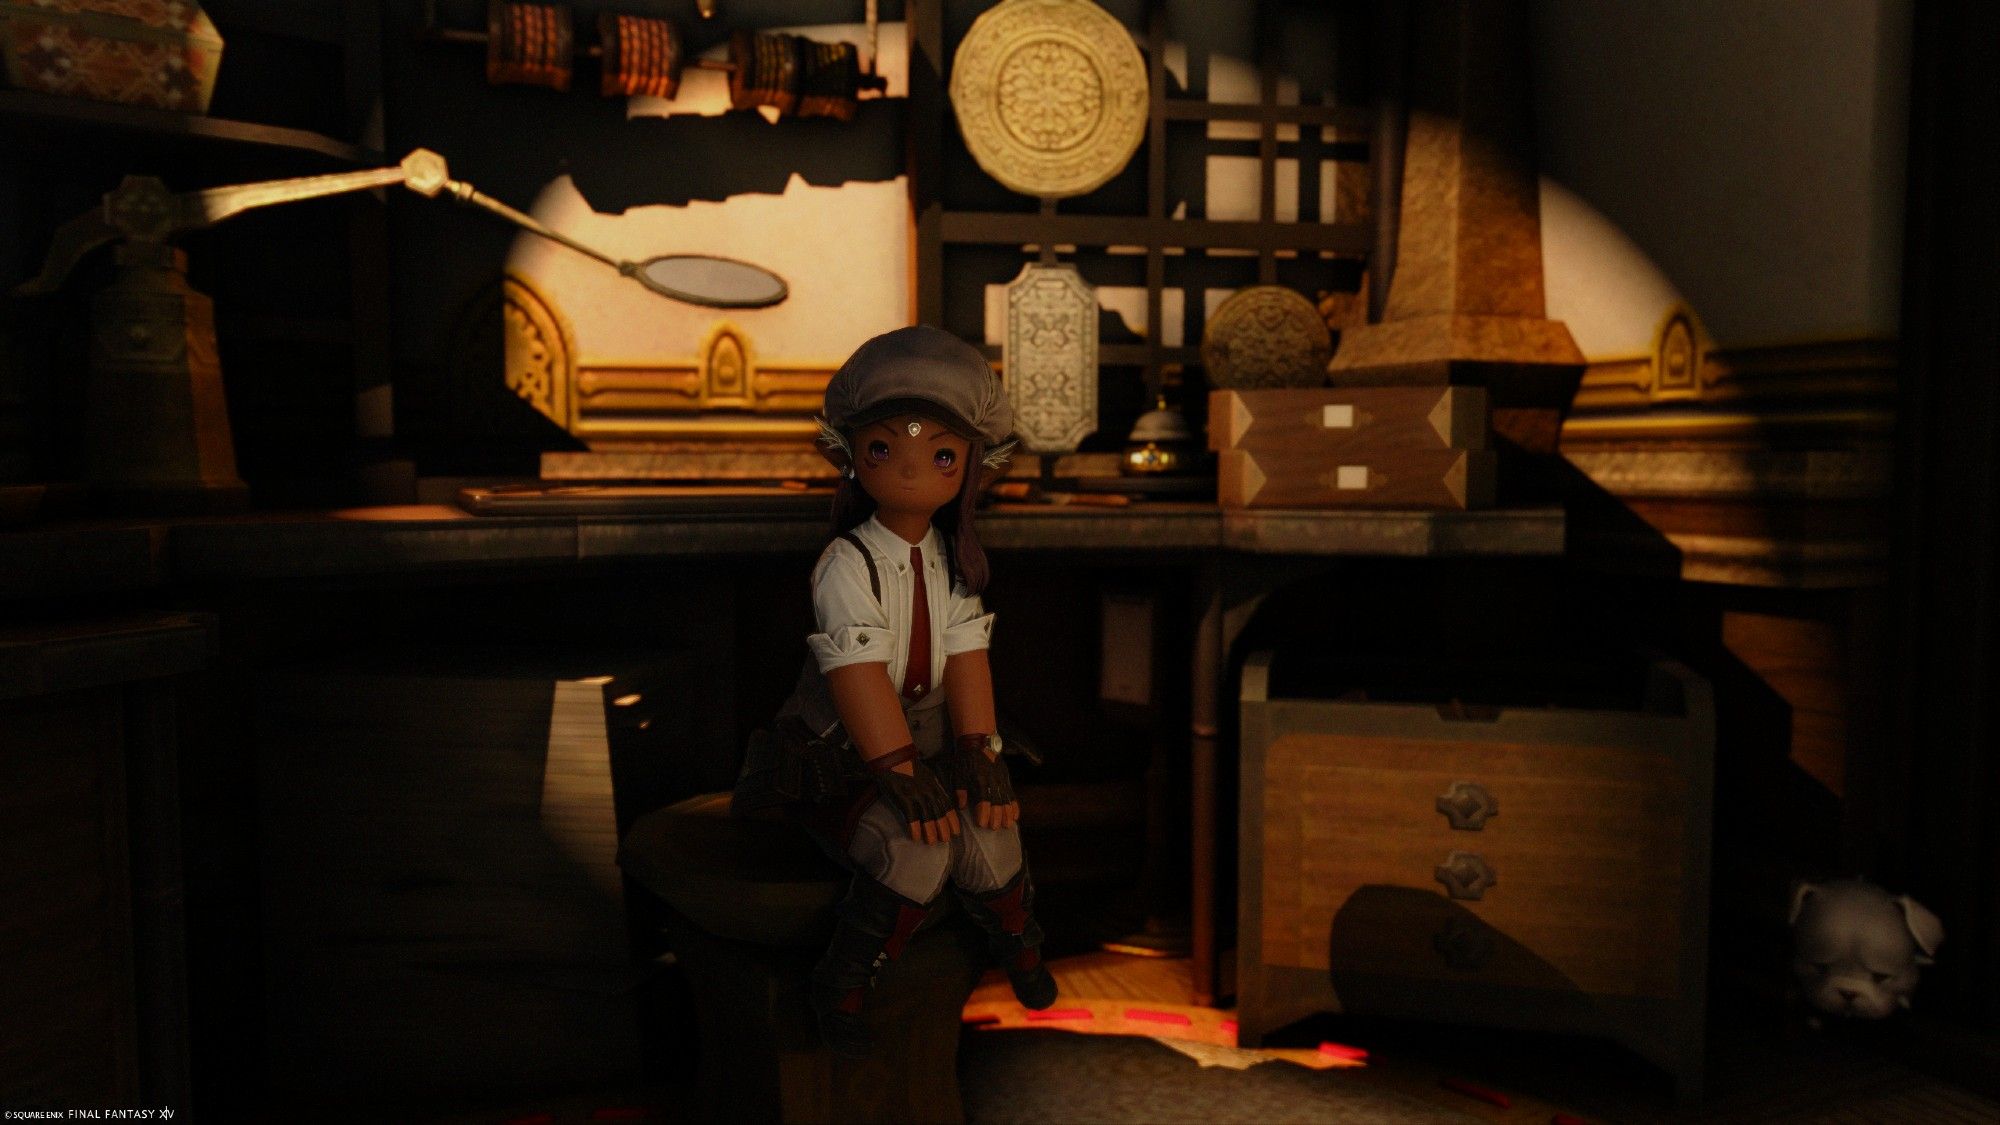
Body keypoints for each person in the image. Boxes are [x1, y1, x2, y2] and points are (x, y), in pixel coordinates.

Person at [734, 324, 1058, 1057]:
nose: (912, 470)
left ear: (971, 467)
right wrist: (898, 770)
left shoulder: (946, 560)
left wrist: (979, 748)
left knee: (995, 823)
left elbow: (966, 651)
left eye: (941, 454)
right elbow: (856, 674)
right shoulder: (847, 563)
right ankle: (846, 977)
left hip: (931, 747)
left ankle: (1018, 937)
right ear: (851, 455)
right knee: (919, 846)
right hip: (845, 754)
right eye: (885, 448)